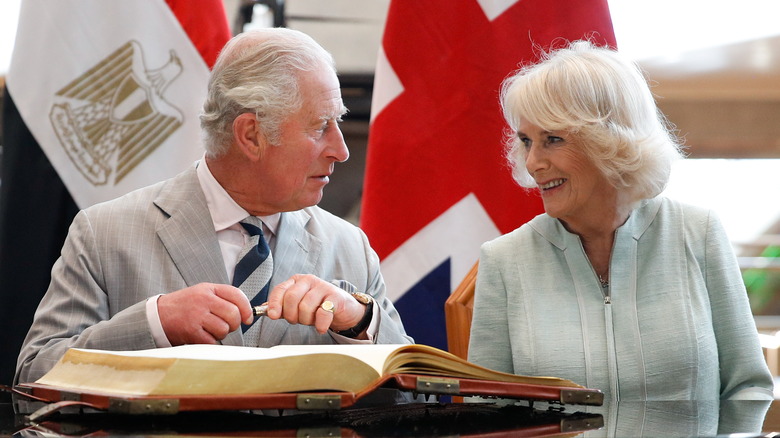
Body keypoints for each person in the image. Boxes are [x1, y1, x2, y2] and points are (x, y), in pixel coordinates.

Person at [16, 28, 412, 385]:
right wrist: (155, 323)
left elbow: (420, 393)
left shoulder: (350, 247)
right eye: (320, 126)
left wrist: (358, 321)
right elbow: (34, 374)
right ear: (251, 135)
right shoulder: (103, 233)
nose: (341, 150)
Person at [467, 40, 773, 400]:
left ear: (611, 141)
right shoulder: (505, 259)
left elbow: (747, 387)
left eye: (552, 139)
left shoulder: (698, 234)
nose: (533, 162)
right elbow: (485, 407)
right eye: (526, 141)